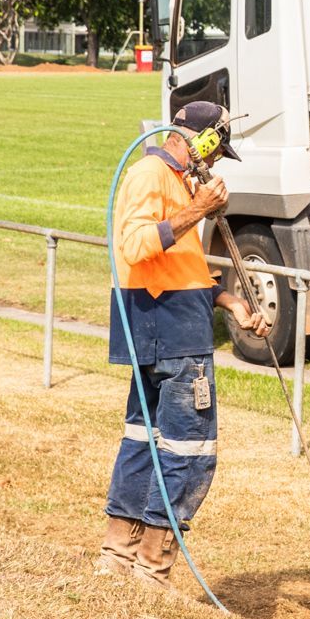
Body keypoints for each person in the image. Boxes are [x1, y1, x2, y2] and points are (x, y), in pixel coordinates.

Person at [94, 101, 270, 587]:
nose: (213, 164)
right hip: (168, 335)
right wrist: (200, 209)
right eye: (215, 151)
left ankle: (118, 557)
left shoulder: (177, 182)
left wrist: (228, 301)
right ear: (201, 139)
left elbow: (179, 265)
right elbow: (134, 246)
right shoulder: (151, 175)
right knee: (189, 451)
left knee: (143, 442)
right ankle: (151, 570)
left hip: (168, 327)